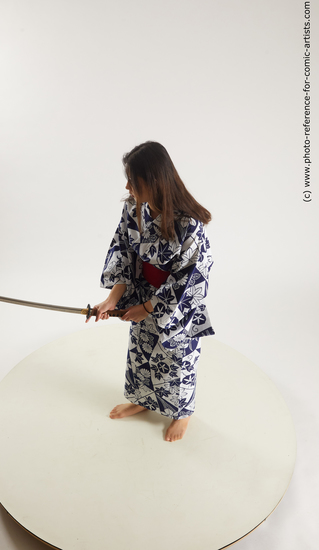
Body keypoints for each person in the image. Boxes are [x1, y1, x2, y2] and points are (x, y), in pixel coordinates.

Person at [93, 141, 214, 442]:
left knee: (176, 359)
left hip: (176, 303)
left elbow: (189, 278)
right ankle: (142, 400)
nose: (127, 186)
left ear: (154, 180)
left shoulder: (189, 224)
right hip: (143, 290)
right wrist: (113, 299)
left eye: (133, 180)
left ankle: (182, 413)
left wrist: (149, 308)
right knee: (141, 351)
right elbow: (123, 252)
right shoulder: (133, 209)